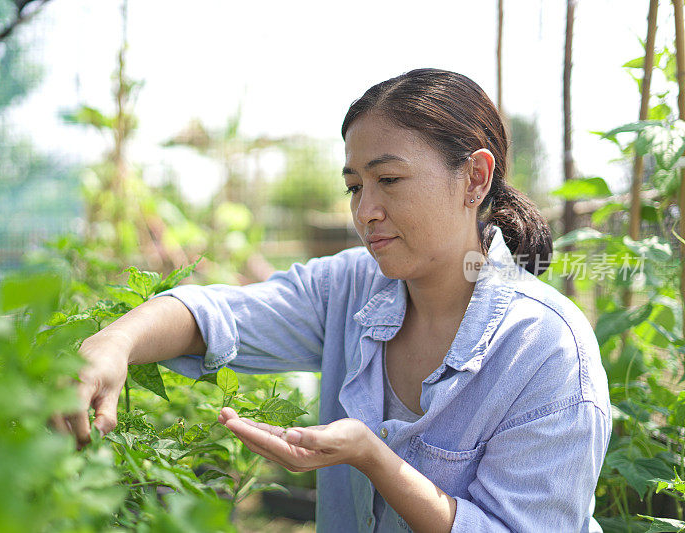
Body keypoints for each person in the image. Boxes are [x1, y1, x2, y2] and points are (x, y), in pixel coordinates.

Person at [69, 68, 611, 532]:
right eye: (355, 186)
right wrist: (117, 340)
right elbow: (218, 314)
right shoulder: (349, 287)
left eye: (390, 180)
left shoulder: (545, 349)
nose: (365, 211)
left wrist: (376, 461)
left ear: (475, 177)